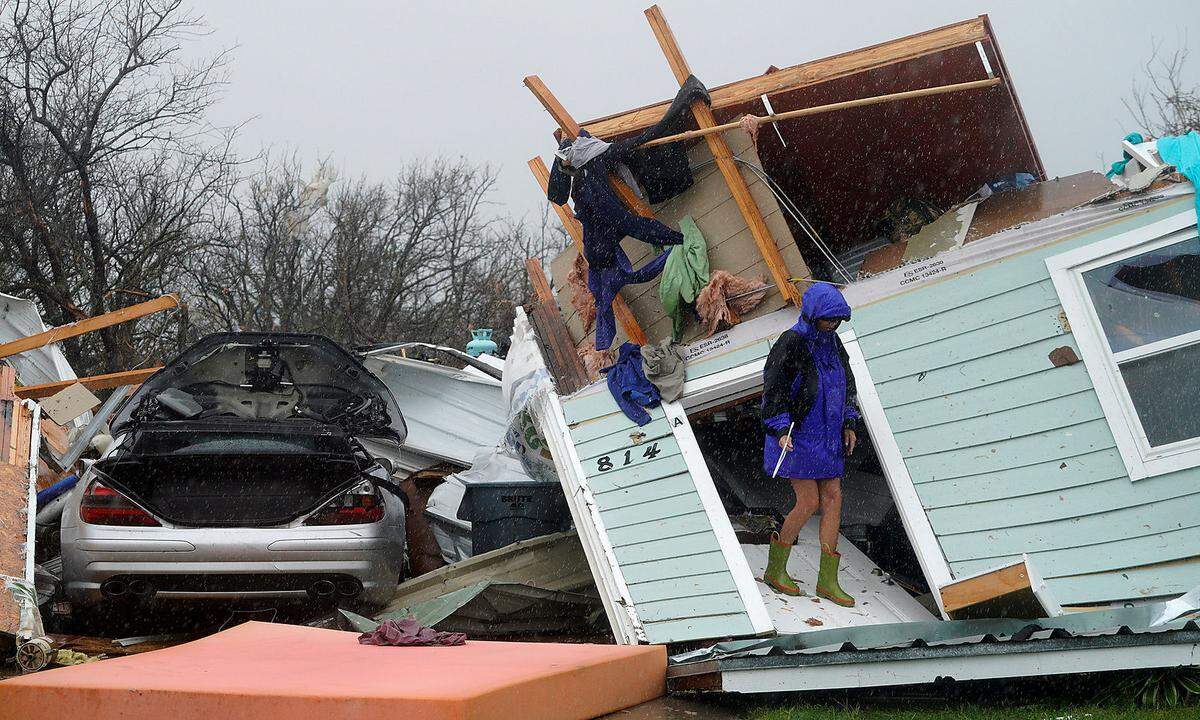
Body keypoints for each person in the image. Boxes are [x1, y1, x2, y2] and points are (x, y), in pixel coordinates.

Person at [759, 282, 859, 606]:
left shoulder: (833, 343)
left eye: (836, 320)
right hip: (796, 434)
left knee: (834, 497)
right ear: (813, 315)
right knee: (808, 501)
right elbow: (773, 387)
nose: (832, 325)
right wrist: (778, 427)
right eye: (828, 319)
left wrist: (849, 421)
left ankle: (828, 581)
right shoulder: (792, 342)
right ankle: (776, 570)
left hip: (827, 435)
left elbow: (846, 384)